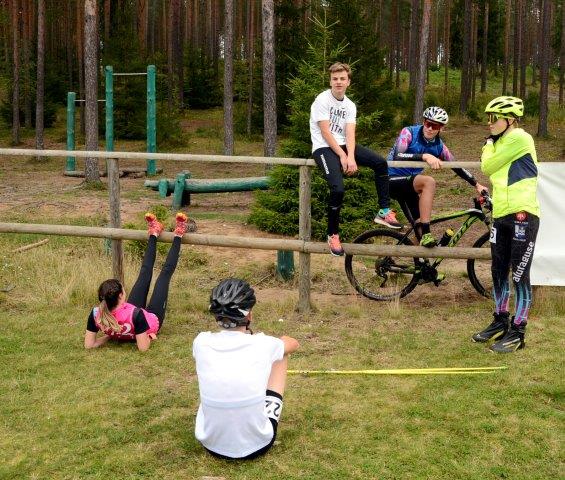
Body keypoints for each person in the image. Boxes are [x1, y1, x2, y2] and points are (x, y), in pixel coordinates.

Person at [192, 278, 300, 460]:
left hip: (211, 444)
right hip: (257, 445)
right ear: (249, 315)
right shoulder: (264, 344)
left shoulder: (200, 341)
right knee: (281, 355)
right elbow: (293, 344)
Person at [310, 62, 402, 257]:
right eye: (335, 79)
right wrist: (342, 155)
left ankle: (384, 210)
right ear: (330, 81)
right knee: (338, 189)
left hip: (344, 145)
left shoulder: (350, 105)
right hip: (323, 147)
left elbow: (350, 133)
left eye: (342, 78)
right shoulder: (322, 100)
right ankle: (333, 234)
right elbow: (325, 132)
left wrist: (351, 156)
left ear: (348, 82)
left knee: (380, 163)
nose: (338, 82)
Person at [472, 96, 540, 353]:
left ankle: (518, 331)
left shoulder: (520, 137)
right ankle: (500, 320)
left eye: (494, 118)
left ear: (510, 120)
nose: (489, 123)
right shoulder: (500, 142)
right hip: (501, 213)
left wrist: (488, 144)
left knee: (519, 274)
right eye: (487, 118)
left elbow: (487, 166)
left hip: (523, 212)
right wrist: (492, 143)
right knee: (498, 270)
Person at [84, 212, 188, 352]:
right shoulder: (137, 315)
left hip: (130, 315)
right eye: (123, 288)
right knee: (164, 275)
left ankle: (154, 232)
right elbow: (143, 348)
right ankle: (179, 234)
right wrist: (148, 336)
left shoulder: (96, 313)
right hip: (151, 318)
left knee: (144, 273)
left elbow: (89, 345)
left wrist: (111, 336)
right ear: (121, 295)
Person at [387, 106, 488, 247]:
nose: (429, 128)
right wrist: (425, 156)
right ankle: (427, 234)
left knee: (419, 229)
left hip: (409, 186)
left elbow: (456, 166)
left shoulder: (439, 146)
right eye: (427, 123)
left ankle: (407, 257)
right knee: (428, 182)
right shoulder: (409, 132)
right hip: (390, 179)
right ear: (424, 122)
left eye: (434, 126)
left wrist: (476, 184)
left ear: (441, 128)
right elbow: (398, 155)